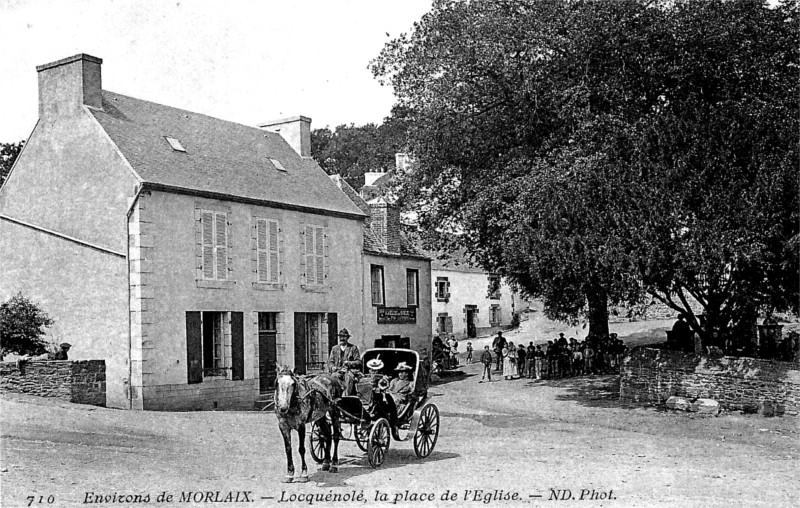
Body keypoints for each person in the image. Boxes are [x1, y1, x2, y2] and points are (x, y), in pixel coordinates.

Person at [327, 328, 361, 395]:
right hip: (337, 371)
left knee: (349, 378)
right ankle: (333, 398)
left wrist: (348, 363)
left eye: (344, 336)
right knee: (332, 379)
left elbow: (358, 362)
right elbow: (330, 362)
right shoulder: (334, 349)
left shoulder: (353, 348)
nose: (342, 338)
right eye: (340, 336)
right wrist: (332, 367)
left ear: (347, 338)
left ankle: (346, 398)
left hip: (348, 371)